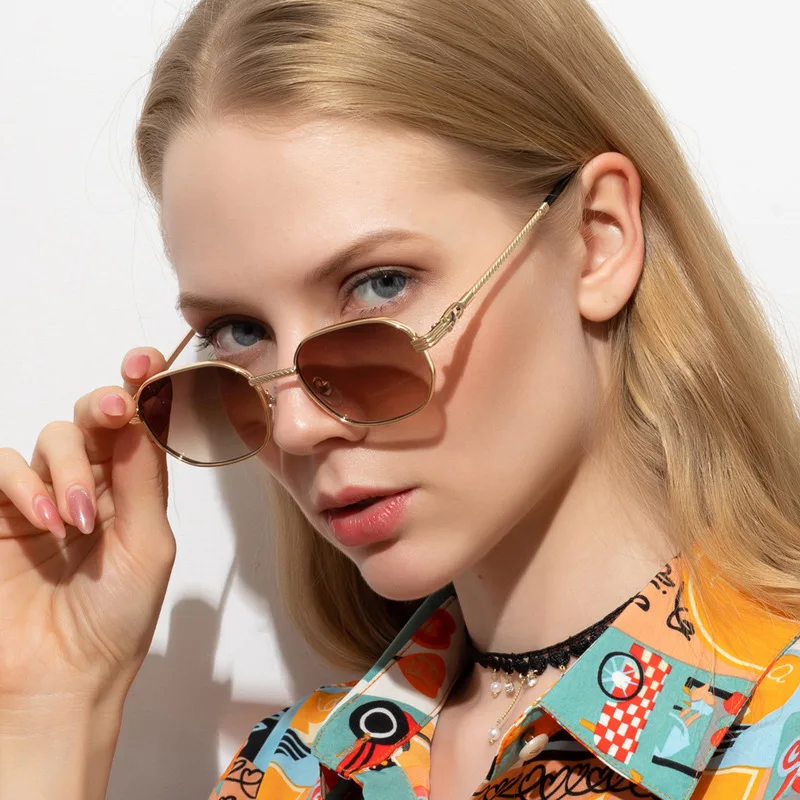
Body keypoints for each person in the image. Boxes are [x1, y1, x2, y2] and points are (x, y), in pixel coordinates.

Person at [1, 0, 799, 798]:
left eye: (380, 284)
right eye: (239, 332)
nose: (298, 424)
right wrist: (52, 712)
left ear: (597, 238)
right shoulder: (293, 774)